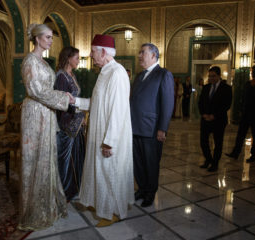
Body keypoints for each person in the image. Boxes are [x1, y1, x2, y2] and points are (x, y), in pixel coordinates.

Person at [18, 23, 75, 231]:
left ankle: (48, 205)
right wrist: (63, 97)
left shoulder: (44, 62)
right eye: (48, 37)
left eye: (52, 37)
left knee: (47, 157)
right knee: (35, 159)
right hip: (34, 113)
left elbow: (47, 89)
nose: (51, 41)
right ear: (37, 39)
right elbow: (35, 90)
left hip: (47, 112)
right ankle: (33, 210)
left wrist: (64, 96)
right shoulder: (29, 61)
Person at [75, 34, 134, 227]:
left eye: (93, 51)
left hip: (109, 136)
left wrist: (110, 141)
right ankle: (95, 202)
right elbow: (97, 103)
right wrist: (74, 101)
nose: (91, 55)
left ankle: (110, 213)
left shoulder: (117, 73)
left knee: (109, 174)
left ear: (103, 52)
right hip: (98, 131)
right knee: (97, 171)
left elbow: (118, 110)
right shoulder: (105, 71)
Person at [130, 43, 174, 207]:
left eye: (143, 52)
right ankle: (142, 188)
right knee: (138, 162)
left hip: (152, 128)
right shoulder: (139, 76)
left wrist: (162, 128)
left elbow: (168, 103)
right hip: (135, 127)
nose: (139, 55)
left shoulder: (163, 74)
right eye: (139, 52)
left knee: (151, 162)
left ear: (154, 55)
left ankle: (150, 192)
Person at [54, 46, 85, 201]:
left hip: (75, 121)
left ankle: (75, 188)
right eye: (77, 58)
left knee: (76, 157)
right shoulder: (61, 77)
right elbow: (61, 103)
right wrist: (76, 113)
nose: (79, 61)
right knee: (65, 160)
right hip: (66, 124)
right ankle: (66, 190)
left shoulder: (71, 74)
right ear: (68, 58)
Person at [226, 65, 255, 163]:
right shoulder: (248, 83)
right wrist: (241, 110)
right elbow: (244, 98)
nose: (252, 73)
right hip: (246, 114)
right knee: (241, 134)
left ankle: (254, 156)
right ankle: (236, 152)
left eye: (253, 71)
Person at [198, 66, 232, 172]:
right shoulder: (206, 87)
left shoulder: (226, 88)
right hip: (205, 119)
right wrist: (203, 114)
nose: (211, 78)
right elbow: (200, 102)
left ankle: (215, 163)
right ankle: (208, 159)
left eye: (213, 76)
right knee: (203, 141)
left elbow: (227, 105)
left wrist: (214, 115)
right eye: (209, 76)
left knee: (218, 143)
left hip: (219, 120)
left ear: (219, 76)